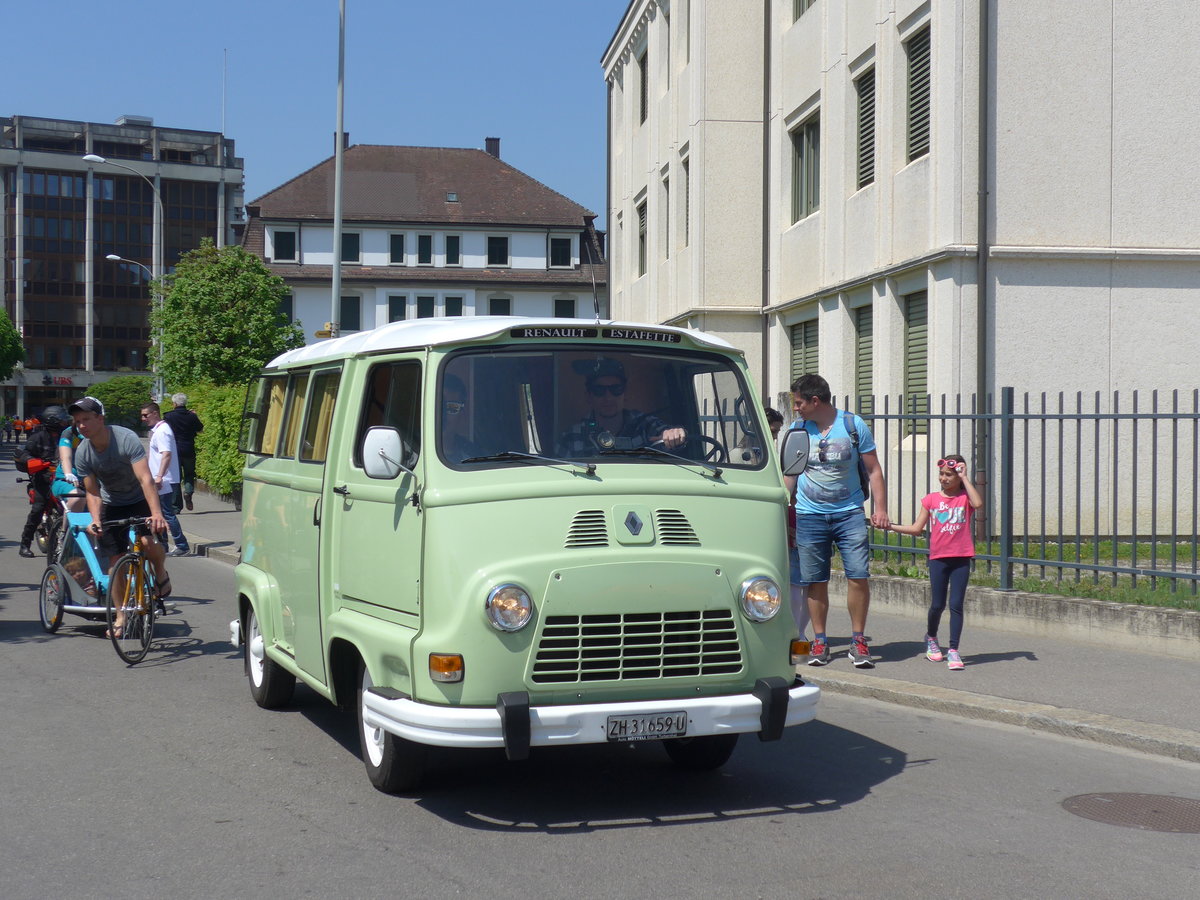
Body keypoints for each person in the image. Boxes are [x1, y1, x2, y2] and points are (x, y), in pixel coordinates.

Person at [787, 373, 890, 668]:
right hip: (809, 515)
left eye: (798, 402)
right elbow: (791, 474)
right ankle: (819, 641)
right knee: (814, 580)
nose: (796, 408)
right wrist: (783, 506)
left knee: (858, 575)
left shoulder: (853, 425)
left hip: (849, 513)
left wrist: (879, 509)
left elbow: (874, 470)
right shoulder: (798, 430)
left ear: (815, 401)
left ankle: (858, 640)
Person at [69, 396, 173, 632]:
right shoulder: (83, 452)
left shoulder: (125, 438)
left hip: (139, 498)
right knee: (115, 564)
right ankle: (121, 616)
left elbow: (145, 478)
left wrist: (156, 513)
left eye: (86, 419)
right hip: (112, 503)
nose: (81, 425)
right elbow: (93, 492)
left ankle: (160, 570)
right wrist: (95, 519)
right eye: (77, 421)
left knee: (147, 542)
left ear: (100, 419)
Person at [887, 454, 984, 671]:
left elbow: (978, 503)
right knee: (937, 605)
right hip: (939, 559)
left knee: (956, 605)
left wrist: (966, 478)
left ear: (959, 475)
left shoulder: (965, 498)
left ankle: (953, 650)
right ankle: (931, 637)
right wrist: (890, 527)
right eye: (942, 474)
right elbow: (916, 528)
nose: (944, 478)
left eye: (949, 475)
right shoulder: (931, 499)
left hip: (961, 558)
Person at [557, 358, 686, 457]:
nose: (608, 397)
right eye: (599, 390)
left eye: (616, 389)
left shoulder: (645, 425)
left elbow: (667, 433)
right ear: (589, 396)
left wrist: (674, 434)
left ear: (625, 393)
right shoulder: (571, 437)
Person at [18, 406, 69, 557]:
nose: (64, 421)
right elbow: (24, 454)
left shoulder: (66, 435)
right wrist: (34, 461)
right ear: (52, 421)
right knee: (37, 509)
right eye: (61, 419)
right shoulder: (37, 437)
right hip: (43, 479)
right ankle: (24, 545)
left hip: (62, 477)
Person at [141, 402, 190, 557]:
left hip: (163, 480)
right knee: (159, 513)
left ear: (155, 413)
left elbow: (166, 454)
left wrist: (159, 476)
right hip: (159, 478)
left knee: (166, 513)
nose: (143, 418)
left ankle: (181, 545)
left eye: (145, 415)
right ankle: (163, 545)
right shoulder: (159, 430)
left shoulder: (162, 431)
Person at [164, 393, 203, 511]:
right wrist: (194, 416)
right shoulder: (192, 416)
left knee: (175, 477)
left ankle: (176, 506)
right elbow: (200, 429)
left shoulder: (169, 416)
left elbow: (164, 432)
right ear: (185, 403)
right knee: (189, 474)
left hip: (174, 449)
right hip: (188, 448)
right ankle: (188, 492)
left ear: (174, 404)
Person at [441, 373, 480, 463]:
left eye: (452, 407)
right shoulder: (411, 455)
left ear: (462, 413)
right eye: (440, 406)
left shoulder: (474, 454)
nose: (444, 415)